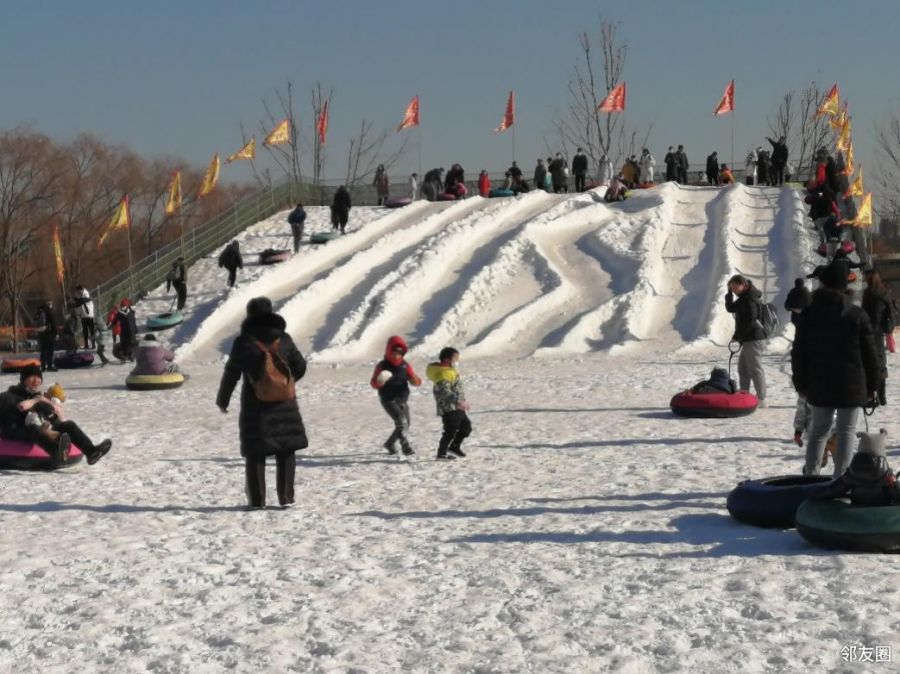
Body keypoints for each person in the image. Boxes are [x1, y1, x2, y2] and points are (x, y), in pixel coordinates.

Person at [217, 297, 307, 509]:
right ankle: (286, 497)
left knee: (255, 452)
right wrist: (283, 383)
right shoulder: (284, 339)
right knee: (286, 449)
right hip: (285, 404)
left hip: (255, 405)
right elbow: (300, 367)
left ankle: (257, 500)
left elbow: (232, 373)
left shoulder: (244, 342)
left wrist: (223, 399)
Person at [792, 261, 879, 476]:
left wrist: (801, 383)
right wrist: (873, 384)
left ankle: (811, 476)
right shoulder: (857, 315)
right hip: (852, 383)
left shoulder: (808, 315)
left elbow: (798, 353)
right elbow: (870, 355)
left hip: (819, 383)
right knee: (847, 432)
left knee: (818, 431)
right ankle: (842, 478)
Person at [0, 365, 111, 466]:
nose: (36, 381)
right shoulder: (8, 397)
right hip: (13, 430)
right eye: (32, 377)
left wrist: (57, 422)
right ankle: (55, 452)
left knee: (69, 425)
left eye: (38, 378)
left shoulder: (38, 397)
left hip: (38, 427)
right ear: (23, 380)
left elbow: (52, 419)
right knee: (33, 429)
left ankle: (91, 452)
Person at [370, 335, 421, 457]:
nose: (397, 355)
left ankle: (389, 444)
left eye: (400, 352)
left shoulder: (405, 366)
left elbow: (417, 381)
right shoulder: (382, 366)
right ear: (389, 351)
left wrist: (414, 380)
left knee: (405, 424)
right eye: (395, 351)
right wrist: (379, 381)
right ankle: (405, 446)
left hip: (402, 400)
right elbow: (373, 383)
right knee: (401, 422)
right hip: (388, 399)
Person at [725, 274, 768, 405]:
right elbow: (730, 308)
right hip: (748, 339)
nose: (734, 290)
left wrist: (737, 336)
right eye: (731, 288)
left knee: (755, 369)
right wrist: (728, 294)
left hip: (754, 338)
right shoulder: (743, 298)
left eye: (735, 287)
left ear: (743, 284)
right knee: (743, 369)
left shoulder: (749, 299)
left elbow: (750, 321)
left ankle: (761, 399)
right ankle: (744, 395)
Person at [425, 347, 471, 460]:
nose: (457, 361)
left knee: (466, 428)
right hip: (449, 407)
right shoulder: (442, 373)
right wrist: (458, 401)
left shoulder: (449, 370)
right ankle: (441, 454)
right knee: (450, 430)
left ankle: (454, 447)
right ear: (446, 359)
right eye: (455, 358)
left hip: (457, 406)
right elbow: (445, 391)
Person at [862, 270, 894, 406]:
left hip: (869, 331)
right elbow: (890, 312)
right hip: (879, 332)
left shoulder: (869, 294)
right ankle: (882, 396)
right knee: (880, 364)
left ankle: (871, 395)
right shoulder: (884, 292)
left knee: (869, 363)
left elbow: (866, 313)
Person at [34, 300, 57, 372]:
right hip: (48, 332)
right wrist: (55, 333)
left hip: (41, 332)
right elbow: (52, 322)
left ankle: (43, 366)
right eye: (51, 303)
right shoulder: (48, 310)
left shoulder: (39, 310)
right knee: (50, 349)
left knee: (43, 350)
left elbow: (35, 320)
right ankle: (49, 365)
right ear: (49, 303)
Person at [72, 285, 96, 350]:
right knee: (85, 331)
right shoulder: (80, 295)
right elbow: (79, 304)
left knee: (92, 330)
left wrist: (76, 301)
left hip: (89, 315)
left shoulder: (86, 294)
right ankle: (86, 344)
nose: (78, 293)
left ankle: (93, 344)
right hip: (83, 316)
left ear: (82, 290)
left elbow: (83, 300)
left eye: (79, 291)